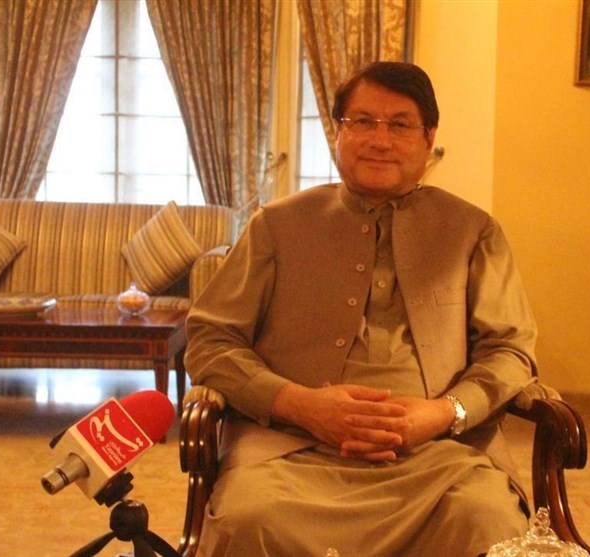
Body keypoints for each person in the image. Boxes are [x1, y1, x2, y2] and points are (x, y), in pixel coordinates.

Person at [184, 61, 538, 557]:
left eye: (400, 124)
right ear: (337, 132)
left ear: (428, 138)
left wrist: (443, 413)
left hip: (440, 455)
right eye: (363, 122)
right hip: (288, 449)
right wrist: (298, 404)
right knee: (249, 518)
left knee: (487, 519)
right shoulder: (276, 227)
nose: (380, 140)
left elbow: (511, 351)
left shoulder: (473, 231)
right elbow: (210, 340)